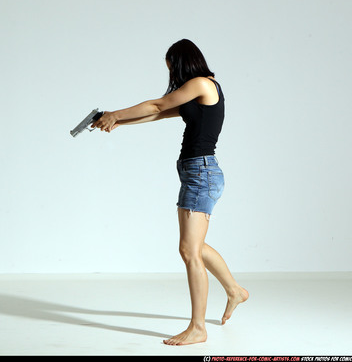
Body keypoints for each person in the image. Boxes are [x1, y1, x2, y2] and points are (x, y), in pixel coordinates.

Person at [91, 39, 249, 346]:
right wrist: (119, 121)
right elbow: (159, 114)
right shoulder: (198, 91)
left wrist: (115, 112)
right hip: (195, 172)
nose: (171, 75)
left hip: (201, 173)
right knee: (194, 247)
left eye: (172, 68)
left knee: (189, 251)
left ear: (182, 63)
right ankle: (235, 291)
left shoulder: (203, 84)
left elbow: (158, 104)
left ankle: (198, 328)